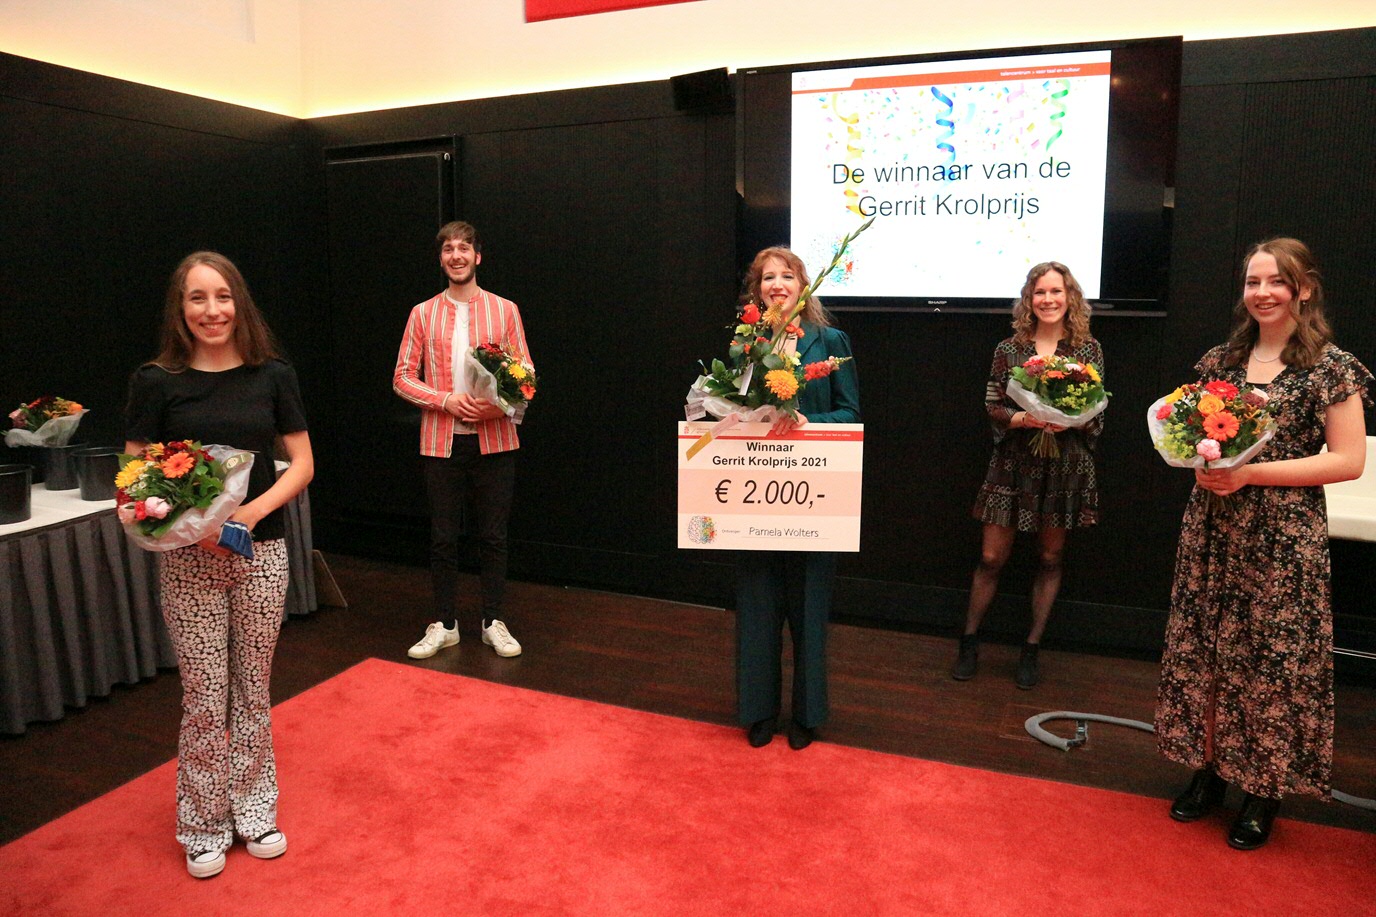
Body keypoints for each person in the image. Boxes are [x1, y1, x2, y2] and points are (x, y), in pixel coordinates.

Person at [1157, 238, 1370, 850]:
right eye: (1253, 282)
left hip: (1283, 539)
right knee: (1210, 652)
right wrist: (1197, 464)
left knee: (1271, 663)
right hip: (1214, 529)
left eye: (1276, 281)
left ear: (1304, 288)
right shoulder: (1220, 361)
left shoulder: (1332, 367)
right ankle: (1207, 771)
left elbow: (1349, 461)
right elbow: (1188, 434)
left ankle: (1262, 791)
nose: (1262, 293)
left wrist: (1250, 473)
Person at [125, 252, 313, 879]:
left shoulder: (273, 374)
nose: (213, 311)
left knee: (252, 690)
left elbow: (304, 465)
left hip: (261, 550)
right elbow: (133, 481)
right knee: (205, 696)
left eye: (223, 297)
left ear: (240, 303)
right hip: (187, 564)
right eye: (198, 298)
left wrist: (245, 516)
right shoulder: (155, 381)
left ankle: (255, 810)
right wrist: (189, 526)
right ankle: (203, 825)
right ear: (181, 309)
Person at [953, 261, 1104, 689]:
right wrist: (1024, 420)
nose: (1049, 300)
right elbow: (992, 404)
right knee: (990, 558)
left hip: (1065, 467)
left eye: (1056, 291)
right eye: (1040, 292)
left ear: (1069, 297)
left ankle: (1032, 647)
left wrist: (1069, 420)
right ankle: (968, 640)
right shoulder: (1010, 348)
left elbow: (1096, 409)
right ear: (1029, 299)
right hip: (1014, 463)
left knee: (1051, 558)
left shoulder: (1088, 350)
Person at [736, 246, 861, 750]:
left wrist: (811, 423)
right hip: (754, 500)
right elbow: (730, 408)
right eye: (768, 277)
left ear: (803, 285)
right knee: (757, 607)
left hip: (814, 498)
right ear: (757, 289)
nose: (777, 284)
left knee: (809, 609)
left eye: (787, 276)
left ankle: (807, 716)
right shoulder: (745, 345)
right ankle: (758, 711)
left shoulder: (830, 341)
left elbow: (850, 412)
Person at [394, 221, 533, 660]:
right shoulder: (422, 313)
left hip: (496, 441)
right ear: (442, 259)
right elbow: (401, 378)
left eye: (464, 248)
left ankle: (493, 621)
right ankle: (446, 623)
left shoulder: (505, 310)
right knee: (443, 537)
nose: (456, 255)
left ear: (478, 256)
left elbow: (526, 377)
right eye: (448, 249)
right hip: (441, 442)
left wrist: (494, 407)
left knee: (493, 536)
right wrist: (445, 400)